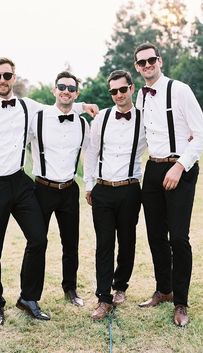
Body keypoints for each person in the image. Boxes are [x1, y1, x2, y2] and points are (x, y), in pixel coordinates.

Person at [0, 58, 98, 325]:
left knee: (38, 239)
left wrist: (85, 106)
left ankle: (28, 297)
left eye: (7, 75)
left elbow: (60, 107)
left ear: (14, 77)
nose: (2, 80)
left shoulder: (28, 106)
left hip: (21, 182)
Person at [134, 43, 203, 327]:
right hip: (153, 168)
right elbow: (139, 136)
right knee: (155, 235)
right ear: (137, 68)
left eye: (151, 60)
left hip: (180, 169)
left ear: (159, 61)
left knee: (178, 238)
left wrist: (179, 165)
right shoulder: (140, 95)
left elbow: (200, 133)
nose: (147, 65)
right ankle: (164, 290)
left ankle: (181, 303)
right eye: (141, 62)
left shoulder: (180, 90)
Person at [84, 70, 146, 320]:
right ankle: (103, 297)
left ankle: (120, 286)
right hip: (103, 189)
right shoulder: (101, 119)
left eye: (122, 89)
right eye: (113, 91)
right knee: (104, 244)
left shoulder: (145, 118)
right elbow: (91, 153)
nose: (118, 95)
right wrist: (89, 185)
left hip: (130, 189)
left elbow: (166, 136)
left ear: (131, 88)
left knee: (128, 240)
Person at [29, 71, 90, 307]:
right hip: (42, 189)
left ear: (77, 93)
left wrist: (91, 184)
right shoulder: (38, 118)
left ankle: (70, 289)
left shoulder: (83, 124)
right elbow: (16, 142)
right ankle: (31, 296)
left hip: (69, 189)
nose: (66, 91)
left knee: (71, 243)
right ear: (54, 90)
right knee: (37, 242)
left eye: (71, 88)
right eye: (62, 87)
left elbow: (91, 155)